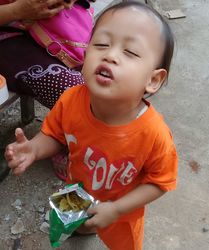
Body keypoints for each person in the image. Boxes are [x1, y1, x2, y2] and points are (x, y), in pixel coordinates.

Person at [5, 1, 178, 249]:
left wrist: (117, 209)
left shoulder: (154, 134)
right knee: (74, 225)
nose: (110, 54)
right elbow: (54, 134)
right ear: (85, 56)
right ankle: (81, 229)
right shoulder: (72, 100)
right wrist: (34, 149)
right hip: (75, 190)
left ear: (153, 80)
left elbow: (161, 182)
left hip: (122, 213)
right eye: (101, 44)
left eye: (130, 52)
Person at [0, 0, 95, 181]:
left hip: (64, 22)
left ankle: (86, 134)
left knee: (108, 77)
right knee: (78, 95)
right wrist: (16, 10)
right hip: (8, 36)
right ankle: (67, 141)